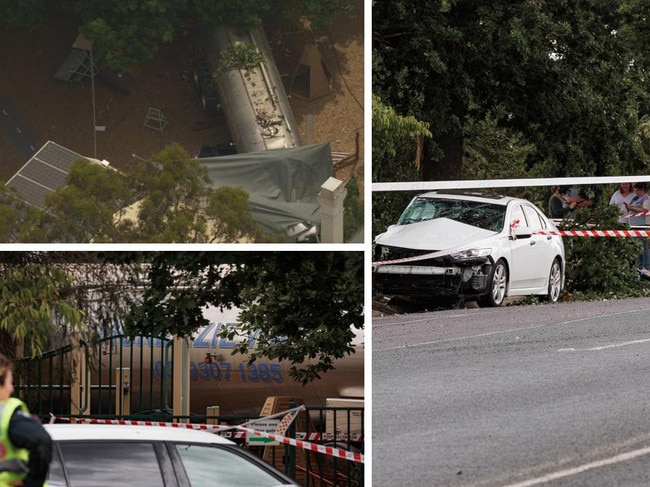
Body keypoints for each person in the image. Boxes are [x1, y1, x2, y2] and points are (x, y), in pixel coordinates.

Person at [0, 354, 52, 487]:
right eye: (9, 382)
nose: (11, 388)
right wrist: (32, 483)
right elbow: (41, 441)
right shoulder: (8, 414)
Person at [625, 182, 650, 279]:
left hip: (643, 226)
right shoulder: (635, 198)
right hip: (634, 225)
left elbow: (645, 210)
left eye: (637, 190)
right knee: (637, 247)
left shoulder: (646, 198)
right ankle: (639, 266)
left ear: (642, 189)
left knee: (644, 246)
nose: (636, 192)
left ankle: (646, 266)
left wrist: (632, 207)